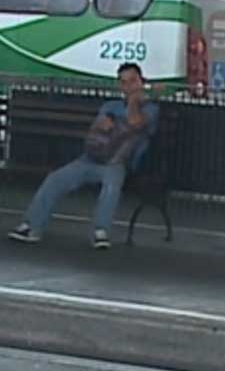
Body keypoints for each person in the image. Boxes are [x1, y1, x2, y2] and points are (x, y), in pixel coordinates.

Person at [8, 63, 159, 250]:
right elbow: (99, 129)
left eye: (132, 81)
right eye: (123, 82)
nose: (127, 86)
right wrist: (120, 124)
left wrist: (134, 101)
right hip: (92, 158)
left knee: (112, 185)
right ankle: (32, 225)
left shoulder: (151, 109)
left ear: (141, 82)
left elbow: (135, 122)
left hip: (118, 162)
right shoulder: (110, 105)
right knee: (55, 179)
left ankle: (100, 230)